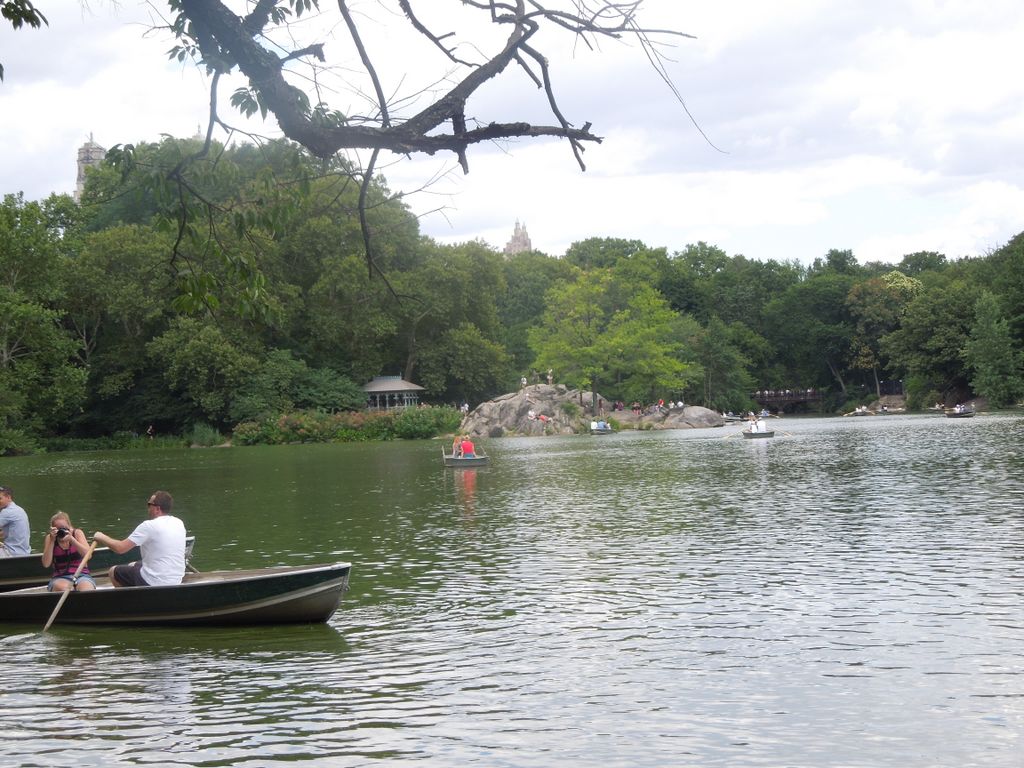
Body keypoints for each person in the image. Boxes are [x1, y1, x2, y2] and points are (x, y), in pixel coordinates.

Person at [93, 490, 186, 588]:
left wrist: (101, 537)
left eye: (149, 504)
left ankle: (131, 601)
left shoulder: (149, 526)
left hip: (154, 582)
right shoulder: (179, 522)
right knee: (133, 564)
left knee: (113, 571)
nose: (148, 507)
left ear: (157, 509)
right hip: (176, 580)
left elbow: (120, 548)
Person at [41, 511, 96, 592]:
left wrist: (72, 540)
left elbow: (88, 555)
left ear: (70, 526)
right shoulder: (50, 538)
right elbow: (46, 564)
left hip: (82, 575)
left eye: (64, 528)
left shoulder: (77, 533)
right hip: (60, 577)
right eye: (58, 529)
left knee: (86, 589)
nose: (61, 531)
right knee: (65, 589)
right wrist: (52, 541)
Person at [0, 485, 30, 557]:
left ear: (9, 497)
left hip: (12, 553)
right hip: (23, 552)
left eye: (0, 498)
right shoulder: (18, 509)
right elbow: (5, 533)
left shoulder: (7, 512)